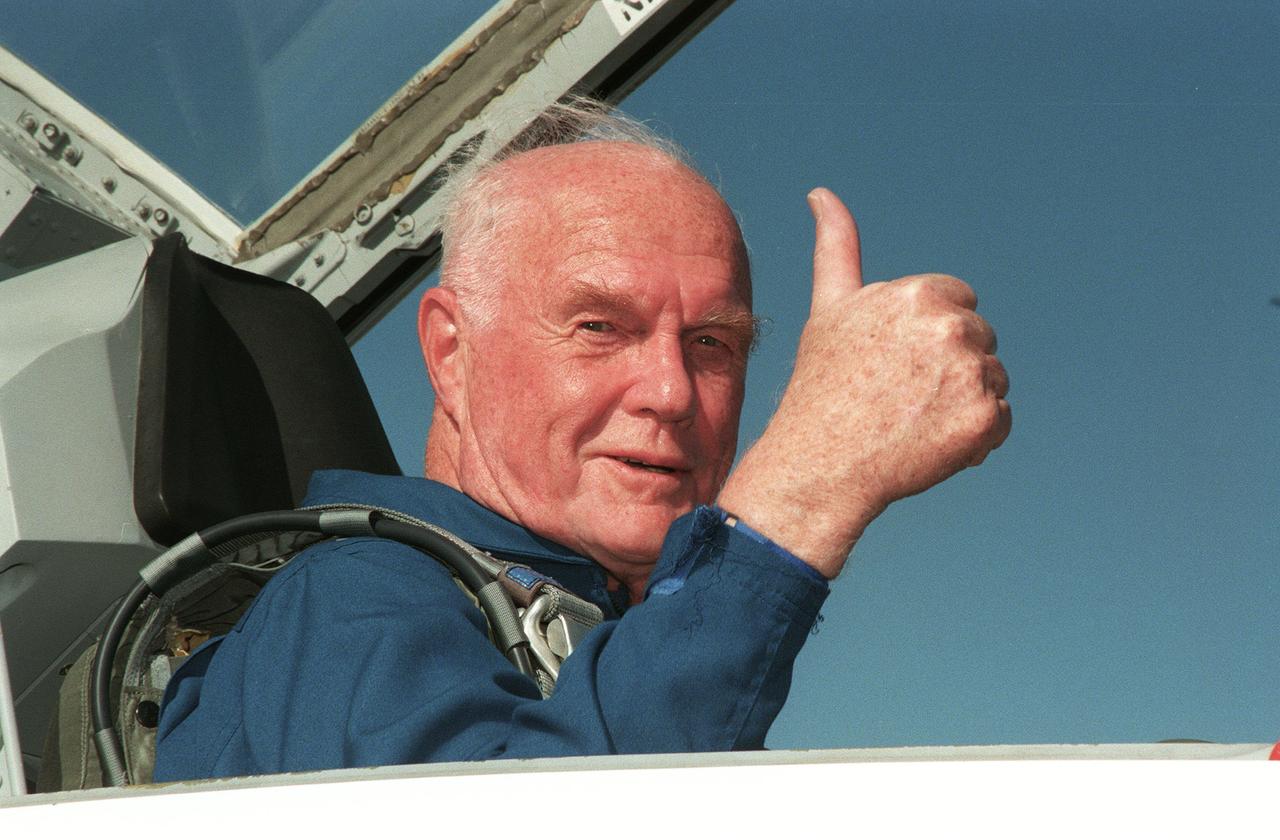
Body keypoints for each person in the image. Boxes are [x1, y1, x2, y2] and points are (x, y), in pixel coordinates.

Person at [153, 103, 1009, 780]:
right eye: (600, 326)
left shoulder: (610, 652)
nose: (672, 393)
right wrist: (804, 491)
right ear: (452, 353)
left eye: (713, 343)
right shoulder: (349, 600)